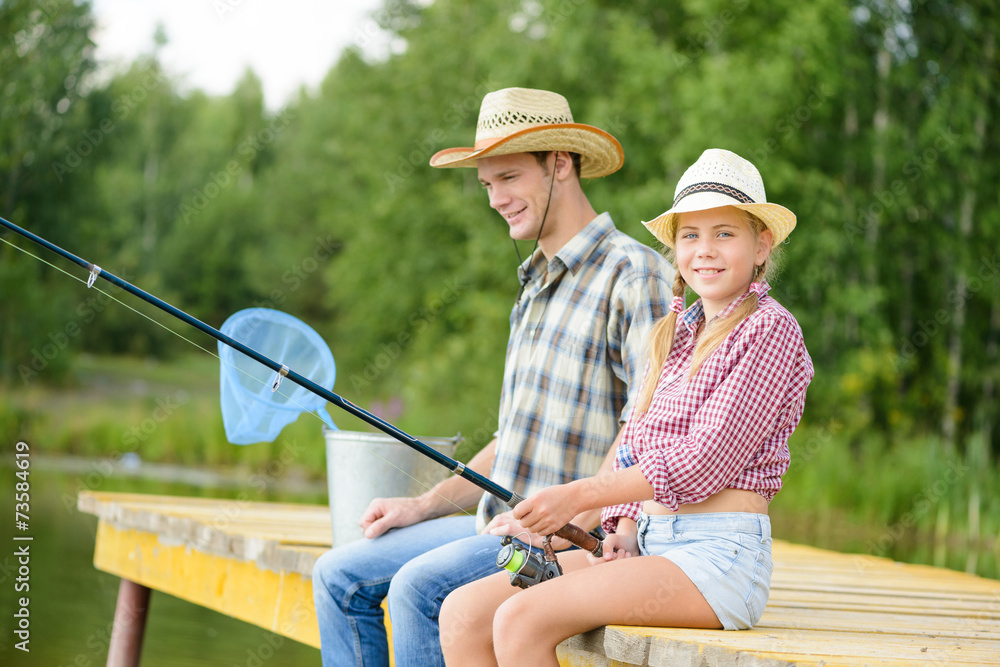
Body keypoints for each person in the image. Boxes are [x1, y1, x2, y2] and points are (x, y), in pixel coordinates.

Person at [311, 87, 674, 667]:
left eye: (508, 177)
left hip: (564, 543)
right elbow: (511, 443)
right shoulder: (533, 285)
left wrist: (568, 523)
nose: (496, 199)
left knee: (417, 591)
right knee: (337, 574)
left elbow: (646, 432)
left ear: (560, 163)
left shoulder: (636, 276)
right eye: (487, 185)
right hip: (493, 528)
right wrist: (421, 505)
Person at [439, 148, 815, 666]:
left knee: (521, 619)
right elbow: (637, 445)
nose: (705, 250)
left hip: (718, 560)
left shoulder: (769, 330)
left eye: (724, 233)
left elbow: (701, 461)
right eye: (690, 236)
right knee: (464, 613)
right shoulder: (672, 334)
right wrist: (621, 527)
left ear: (761, 244)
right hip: (652, 547)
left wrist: (578, 497)